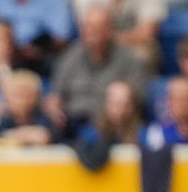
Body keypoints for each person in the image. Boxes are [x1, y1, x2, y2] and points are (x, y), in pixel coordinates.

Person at [44, 4, 148, 140]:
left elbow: (137, 98)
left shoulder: (129, 60)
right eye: (89, 27)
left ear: (110, 30)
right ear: (82, 30)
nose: (93, 32)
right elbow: (56, 95)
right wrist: (53, 105)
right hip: (72, 123)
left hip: (111, 126)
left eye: (99, 27)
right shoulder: (69, 57)